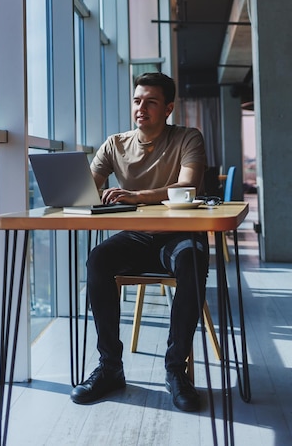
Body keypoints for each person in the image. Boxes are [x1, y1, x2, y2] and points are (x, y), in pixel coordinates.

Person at [70, 72, 209, 412]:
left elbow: (187, 187)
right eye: (137, 100)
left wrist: (134, 195)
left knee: (192, 261)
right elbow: (86, 188)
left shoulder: (188, 138)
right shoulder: (115, 144)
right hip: (136, 236)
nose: (141, 108)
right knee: (98, 260)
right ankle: (110, 368)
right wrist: (77, 191)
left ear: (168, 108)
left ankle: (177, 370)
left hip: (179, 236)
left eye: (151, 102)